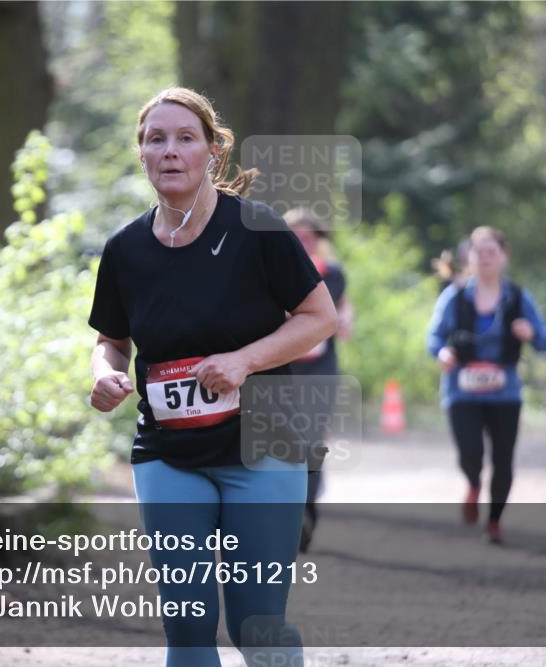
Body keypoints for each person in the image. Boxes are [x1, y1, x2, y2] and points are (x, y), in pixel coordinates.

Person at [87, 87, 337, 667]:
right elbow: (111, 341)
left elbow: (318, 318)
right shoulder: (124, 249)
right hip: (168, 452)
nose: (169, 150)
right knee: (189, 631)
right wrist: (104, 376)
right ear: (142, 155)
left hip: (263, 448)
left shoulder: (257, 228)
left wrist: (245, 361)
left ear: (212, 153)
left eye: (184, 138)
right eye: (156, 139)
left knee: (256, 627)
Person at [426, 226, 546, 544]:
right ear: (469, 256)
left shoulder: (520, 298)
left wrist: (531, 334)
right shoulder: (454, 297)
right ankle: (472, 484)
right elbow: (434, 337)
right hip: (461, 391)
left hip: (505, 393)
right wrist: (442, 352)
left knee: (503, 459)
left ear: (503, 256)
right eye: (478, 252)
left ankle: (494, 521)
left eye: (491, 252)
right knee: (470, 453)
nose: (484, 258)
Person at [283, 207, 353, 553]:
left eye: (308, 238)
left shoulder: (333, 274)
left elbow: (342, 319)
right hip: (277, 369)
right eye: (294, 237)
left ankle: (305, 516)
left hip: (319, 370)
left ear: (319, 241)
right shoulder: (267, 272)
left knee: (311, 442)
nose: (301, 243)